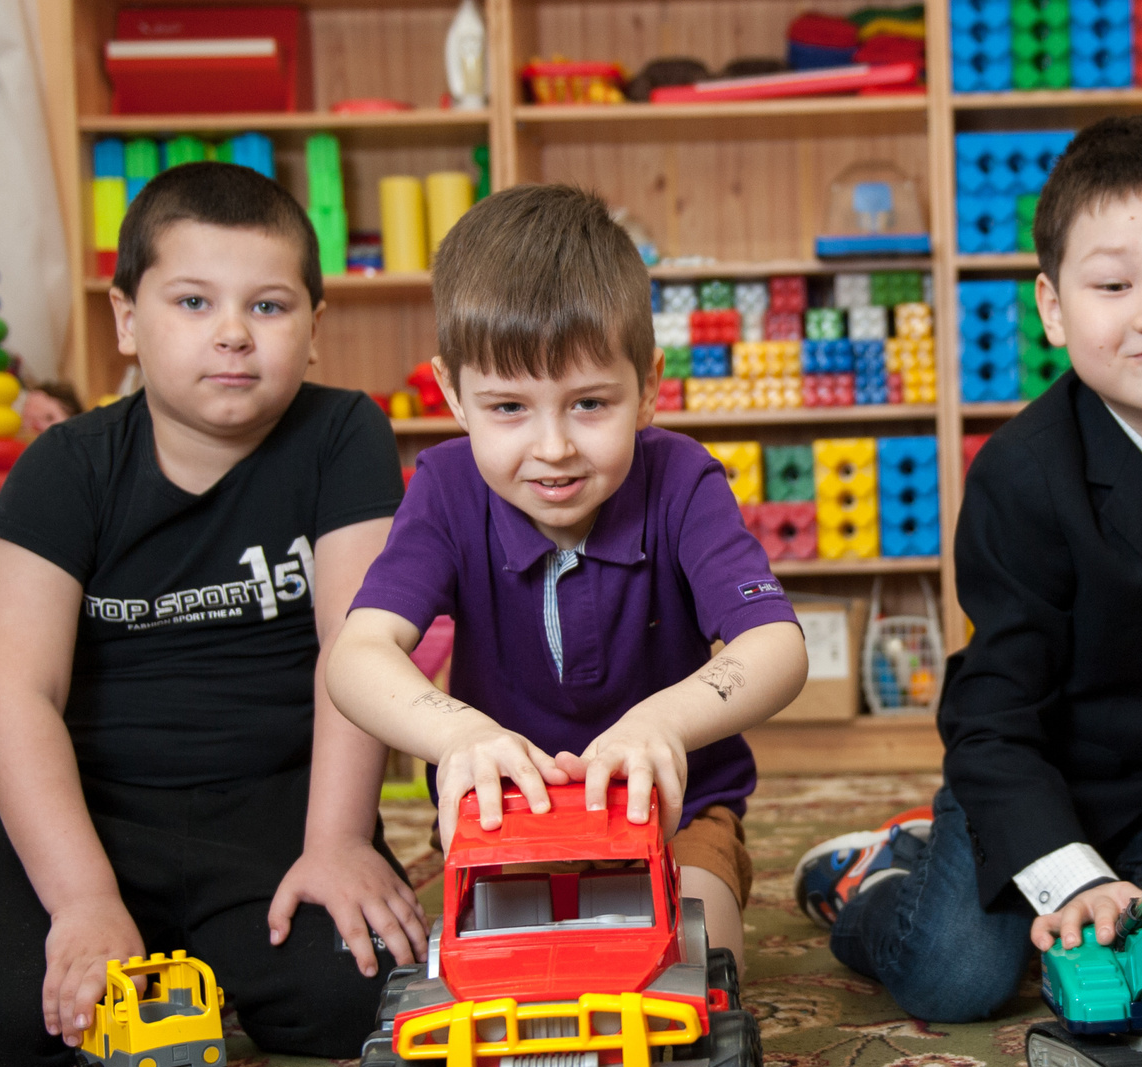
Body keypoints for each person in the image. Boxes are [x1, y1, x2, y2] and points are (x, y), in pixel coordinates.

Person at [795, 114, 1142, 1022]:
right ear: (1054, 309)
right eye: (1112, 284)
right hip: (1042, 777)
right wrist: (1065, 874)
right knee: (955, 979)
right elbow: (993, 713)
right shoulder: (1022, 475)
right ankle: (874, 873)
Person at [0, 163, 426, 1067]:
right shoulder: (67, 466)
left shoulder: (344, 435)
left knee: (357, 1003)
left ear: (314, 331)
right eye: (192, 302)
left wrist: (335, 842)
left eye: (267, 307)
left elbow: (356, 649)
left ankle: (200, 958)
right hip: (92, 807)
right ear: (127, 321)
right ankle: (144, 943)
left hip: (273, 808)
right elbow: (15, 690)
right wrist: (84, 899)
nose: (231, 334)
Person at [326, 184, 808, 963]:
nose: (552, 447)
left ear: (648, 387)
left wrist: (664, 725)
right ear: (452, 394)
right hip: (505, 814)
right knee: (487, 981)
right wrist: (461, 736)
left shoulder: (684, 480)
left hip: (676, 813)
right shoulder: (446, 489)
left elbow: (777, 646)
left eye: (589, 403)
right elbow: (355, 657)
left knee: (690, 970)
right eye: (508, 408)